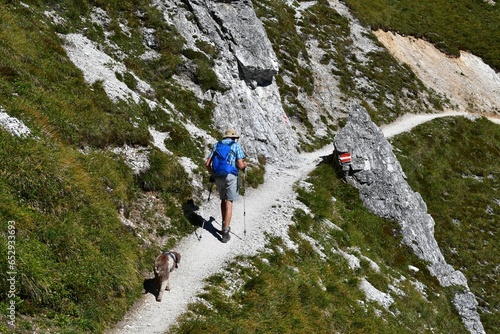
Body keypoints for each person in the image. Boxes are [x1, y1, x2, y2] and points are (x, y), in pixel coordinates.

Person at [205, 129, 247, 243]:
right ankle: (225, 231)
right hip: (230, 175)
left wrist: (212, 174)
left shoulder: (217, 144)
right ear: (233, 138)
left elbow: (207, 163)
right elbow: (240, 164)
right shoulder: (235, 145)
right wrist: (244, 165)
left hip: (218, 176)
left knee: (223, 200)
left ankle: (224, 224)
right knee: (229, 202)